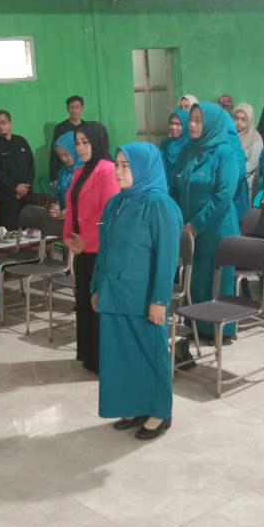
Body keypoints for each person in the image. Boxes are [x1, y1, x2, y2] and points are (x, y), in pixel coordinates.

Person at [93, 143, 183, 441]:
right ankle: (135, 405)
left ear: (144, 168)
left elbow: (167, 257)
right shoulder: (116, 203)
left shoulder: (159, 204)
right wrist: (96, 286)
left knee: (150, 353)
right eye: (117, 164)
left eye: (126, 166)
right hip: (115, 291)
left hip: (143, 296)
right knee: (123, 355)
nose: (118, 172)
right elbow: (105, 249)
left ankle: (160, 411)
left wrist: (160, 299)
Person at [174, 102, 241, 343]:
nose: (191, 124)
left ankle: (221, 331)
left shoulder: (225, 152)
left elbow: (223, 196)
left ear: (211, 124)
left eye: (198, 120)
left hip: (217, 229)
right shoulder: (189, 150)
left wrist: (196, 225)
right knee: (196, 279)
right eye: (191, 119)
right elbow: (177, 186)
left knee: (217, 282)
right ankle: (198, 326)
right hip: (190, 229)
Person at [63, 122, 119, 374]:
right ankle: (89, 355)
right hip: (82, 249)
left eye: (85, 142)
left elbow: (108, 214)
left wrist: (86, 239)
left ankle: (103, 360)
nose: (80, 148)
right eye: (77, 143)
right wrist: (68, 237)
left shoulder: (107, 169)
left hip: (99, 250)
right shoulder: (80, 171)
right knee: (85, 304)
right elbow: (72, 206)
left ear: (97, 142)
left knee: (99, 305)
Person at [0, 109, 35, 229]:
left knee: (31, 232)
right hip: (7, 199)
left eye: (3, 122)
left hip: (27, 195)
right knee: (10, 234)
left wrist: (25, 188)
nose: (0, 126)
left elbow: (31, 165)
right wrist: (15, 187)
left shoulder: (21, 141)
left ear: (11, 123)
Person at [49, 95, 85, 184]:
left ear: (82, 108)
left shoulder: (87, 127)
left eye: (77, 107)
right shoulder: (60, 128)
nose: (74, 110)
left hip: (84, 169)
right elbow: (54, 154)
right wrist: (54, 178)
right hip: (66, 172)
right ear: (67, 109)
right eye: (71, 107)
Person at [233, 103, 264, 196]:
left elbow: (251, 165)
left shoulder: (256, 139)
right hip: (229, 182)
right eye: (236, 118)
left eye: (243, 119)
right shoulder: (231, 135)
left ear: (250, 120)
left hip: (246, 184)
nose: (239, 122)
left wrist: (231, 173)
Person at [50, 130, 82, 216]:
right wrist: (56, 207)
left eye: (66, 154)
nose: (63, 159)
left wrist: (72, 210)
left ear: (76, 150)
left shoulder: (86, 170)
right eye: (60, 155)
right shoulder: (63, 171)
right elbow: (57, 194)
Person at [159, 110, 188, 197]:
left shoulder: (190, 145)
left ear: (185, 125)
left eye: (178, 124)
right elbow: (161, 167)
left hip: (184, 190)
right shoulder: (165, 144)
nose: (173, 127)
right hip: (167, 189)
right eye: (171, 123)